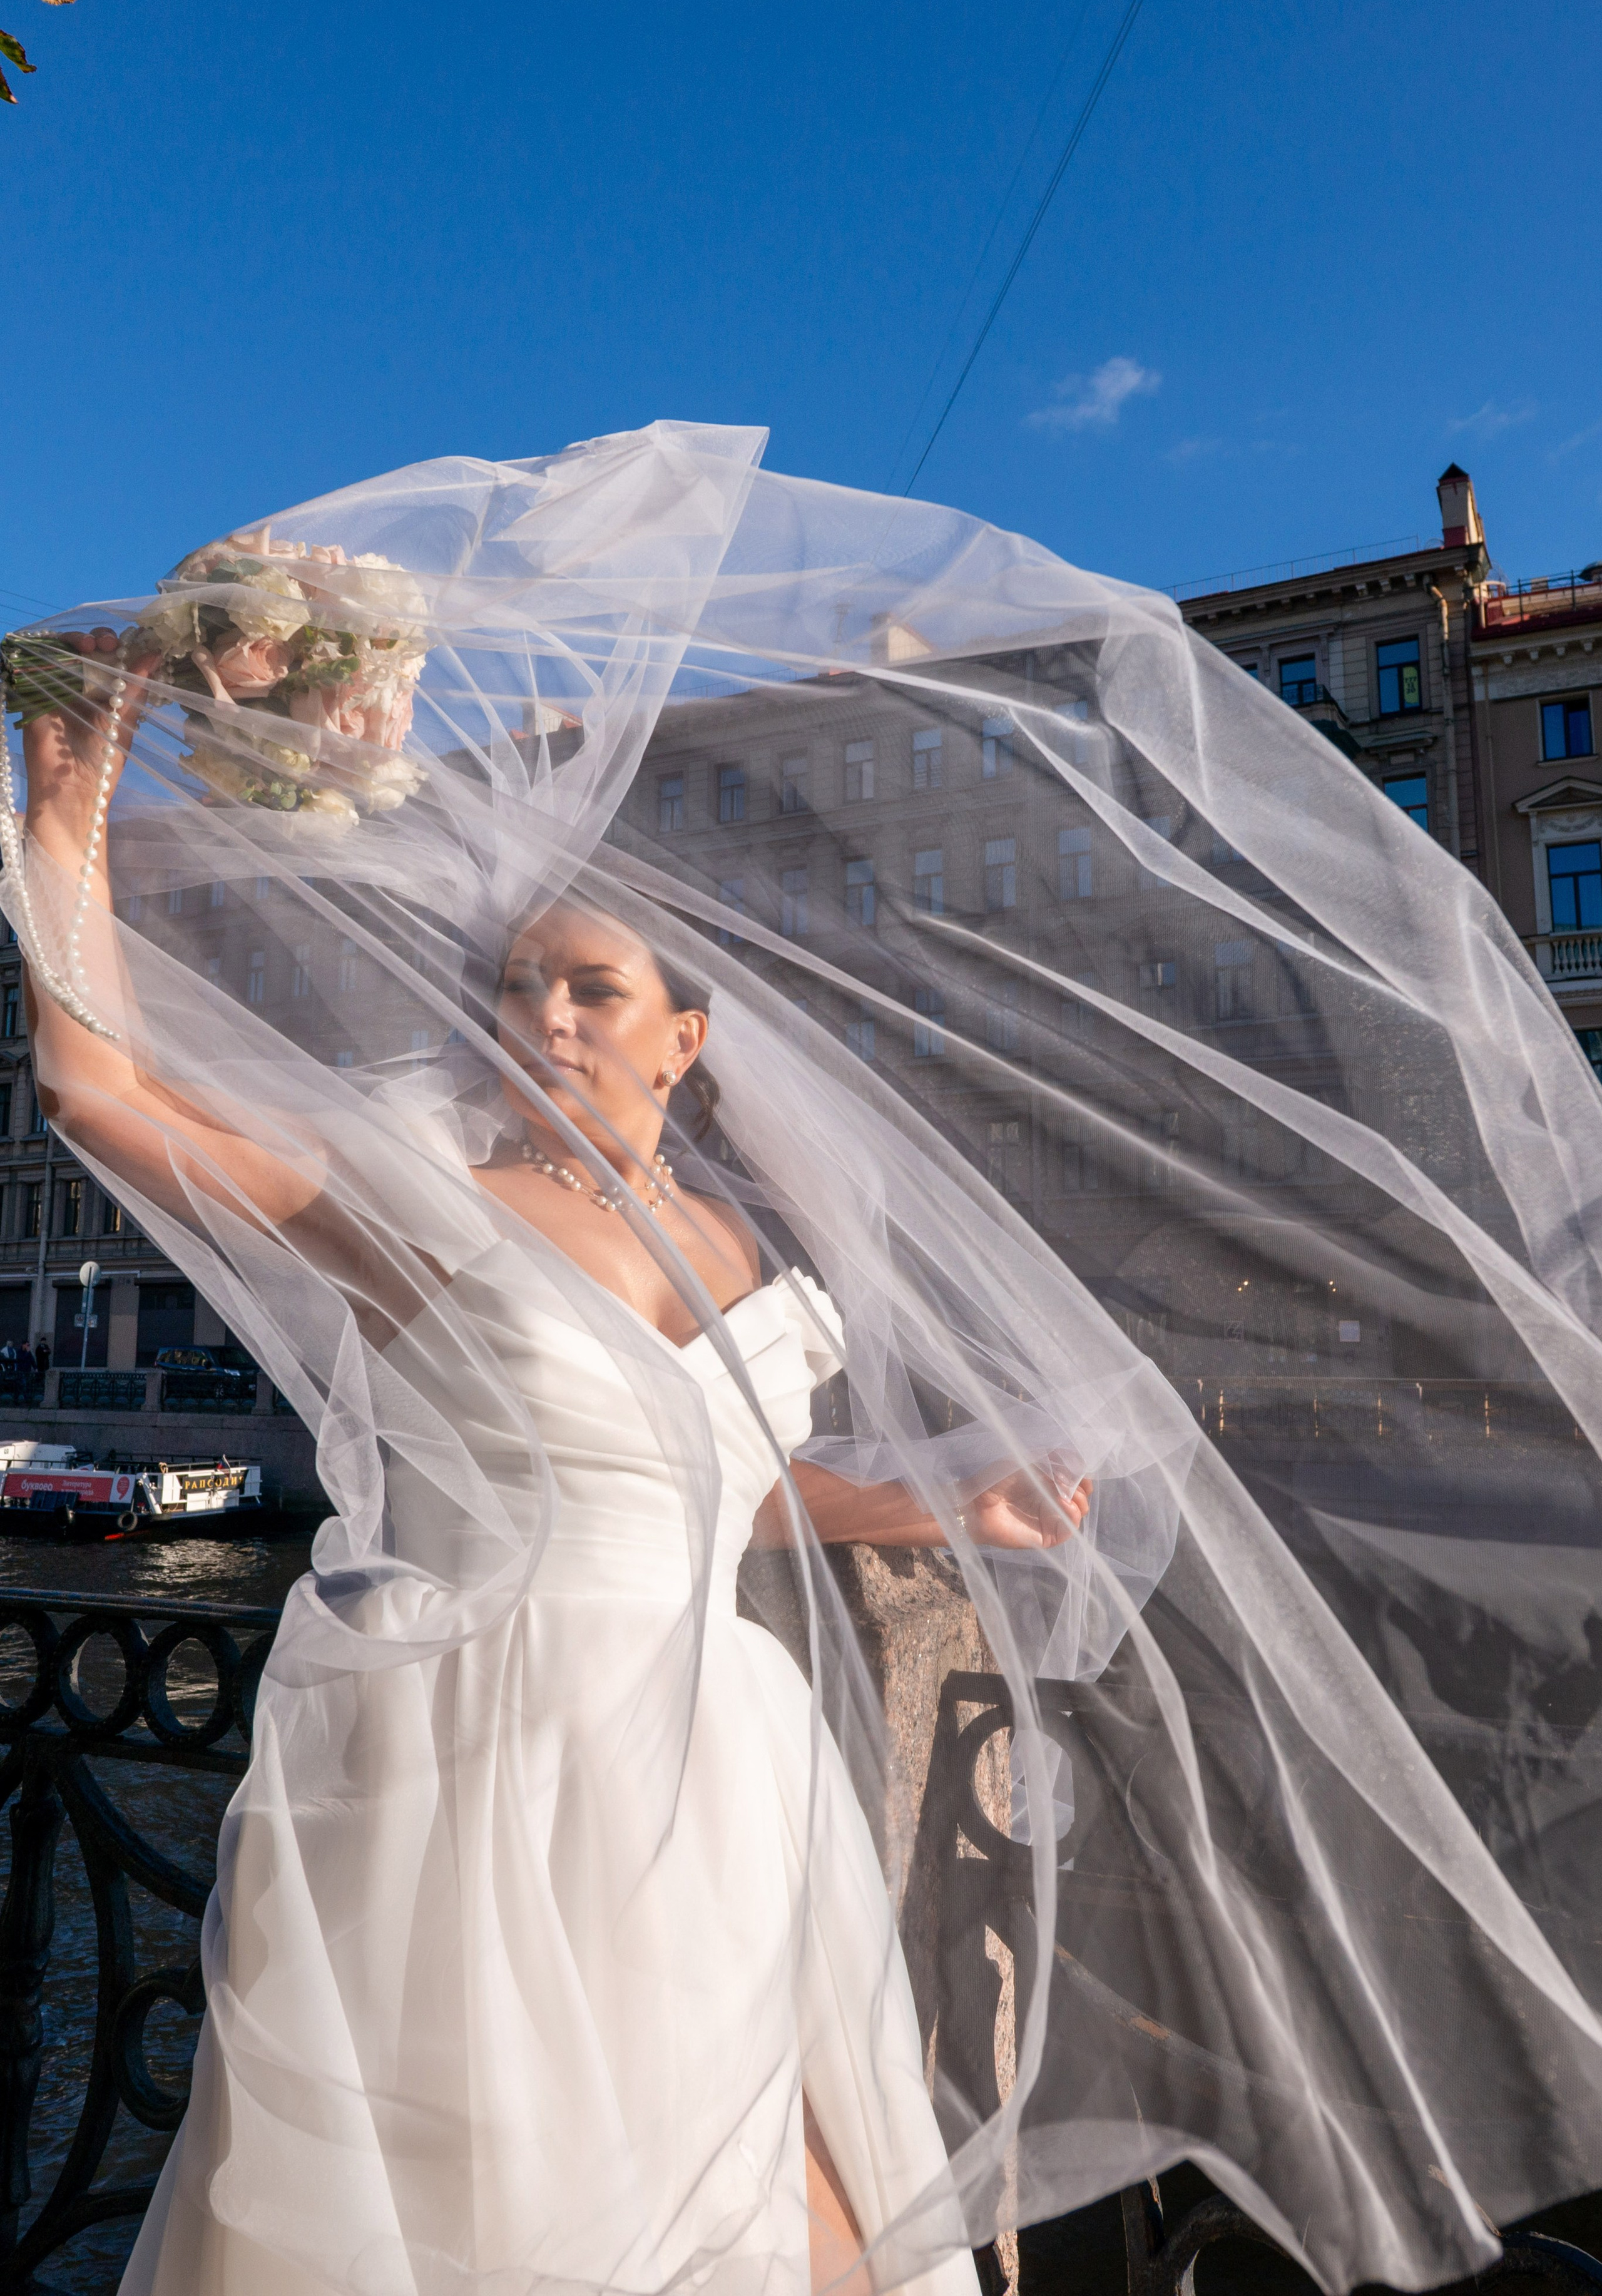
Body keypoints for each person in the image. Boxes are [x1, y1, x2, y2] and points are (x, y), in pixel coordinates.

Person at [6, 423, 1601, 2296]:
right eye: (524, 986)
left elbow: (725, 1479)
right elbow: (98, 1087)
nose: (543, 1015)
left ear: (689, 1035)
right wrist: (73, 796)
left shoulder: (748, 1249)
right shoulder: (420, 1188)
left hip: (728, 1765)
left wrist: (955, 1496)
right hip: (483, 1771)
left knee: (798, 2214)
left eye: (589, 989)